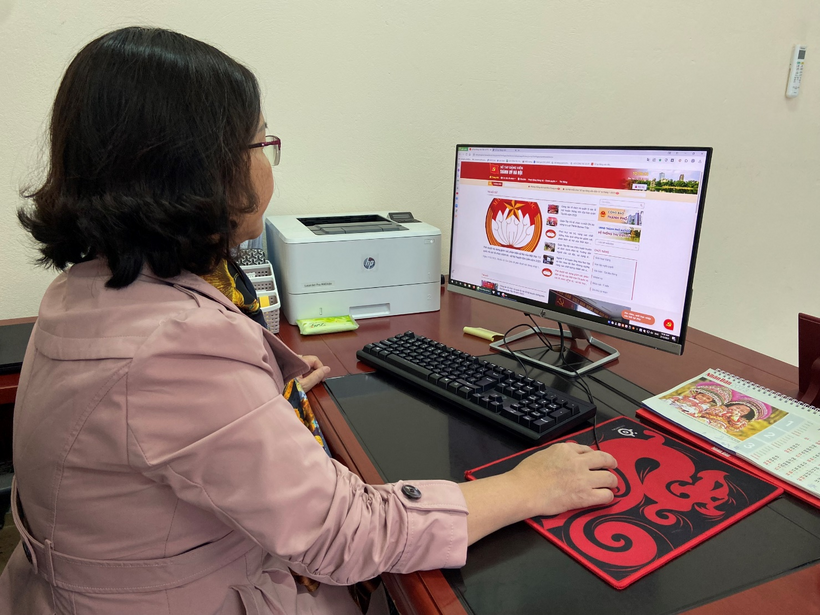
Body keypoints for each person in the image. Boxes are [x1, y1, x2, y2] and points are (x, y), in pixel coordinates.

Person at [0, 27, 618, 615]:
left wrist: (262, 391)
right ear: (194, 169)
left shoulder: (84, 289)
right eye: (261, 142)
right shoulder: (177, 345)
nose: (270, 163)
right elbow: (347, 537)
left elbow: (152, 430)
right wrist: (526, 487)